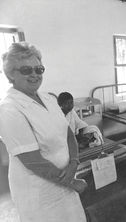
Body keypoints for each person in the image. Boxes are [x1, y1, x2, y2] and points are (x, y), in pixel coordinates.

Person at [0, 42, 87, 222]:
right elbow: (33, 161)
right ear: (11, 74)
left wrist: (75, 162)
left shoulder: (48, 98)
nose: (34, 74)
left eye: (39, 69)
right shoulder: (9, 109)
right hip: (39, 191)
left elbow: (68, 132)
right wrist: (72, 182)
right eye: (26, 70)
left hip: (65, 179)